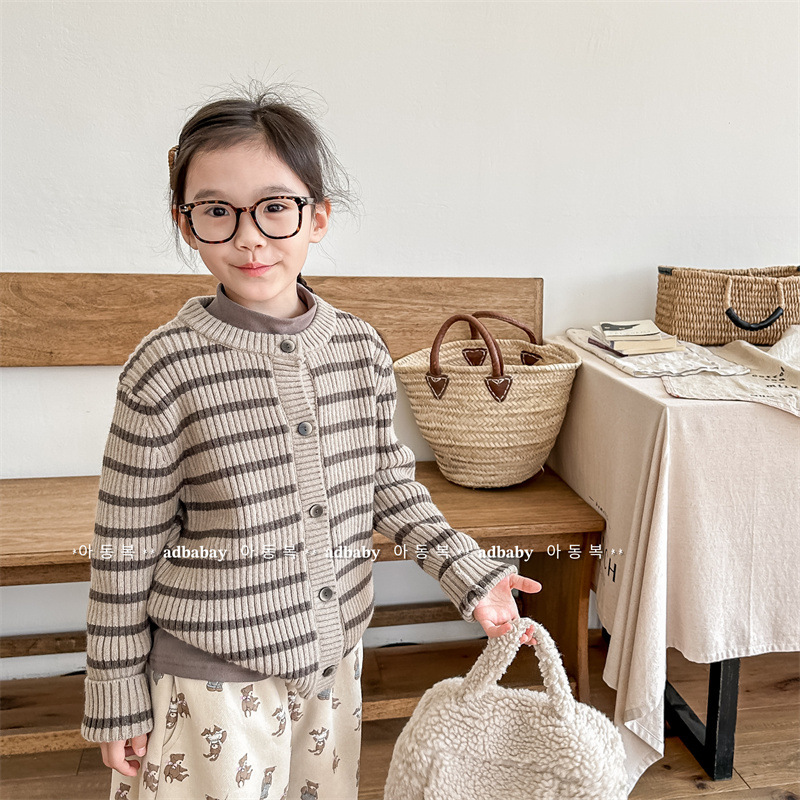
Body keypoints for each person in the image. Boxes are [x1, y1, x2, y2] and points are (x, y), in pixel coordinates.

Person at [81, 82, 541, 800]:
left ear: (317, 216)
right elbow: (124, 545)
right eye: (216, 211)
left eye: (274, 207)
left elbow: (386, 485)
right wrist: (115, 691)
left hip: (332, 667)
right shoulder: (164, 367)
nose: (249, 236)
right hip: (209, 682)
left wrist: (468, 572)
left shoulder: (358, 348)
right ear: (185, 223)